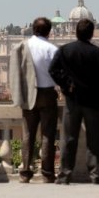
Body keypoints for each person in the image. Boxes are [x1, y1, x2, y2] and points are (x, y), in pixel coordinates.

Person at [49, 19, 99, 185]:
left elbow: (53, 70)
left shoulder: (65, 50)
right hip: (93, 102)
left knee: (69, 139)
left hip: (73, 101)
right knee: (94, 140)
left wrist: (66, 84)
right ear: (92, 34)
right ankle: (96, 174)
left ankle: (64, 174)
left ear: (76, 32)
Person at [9, 17, 59, 183]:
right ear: (49, 31)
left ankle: (24, 172)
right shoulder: (52, 49)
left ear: (33, 29)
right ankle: (47, 173)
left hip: (28, 94)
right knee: (48, 135)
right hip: (48, 94)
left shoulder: (22, 47)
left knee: (28, 134)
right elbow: (59, 74)